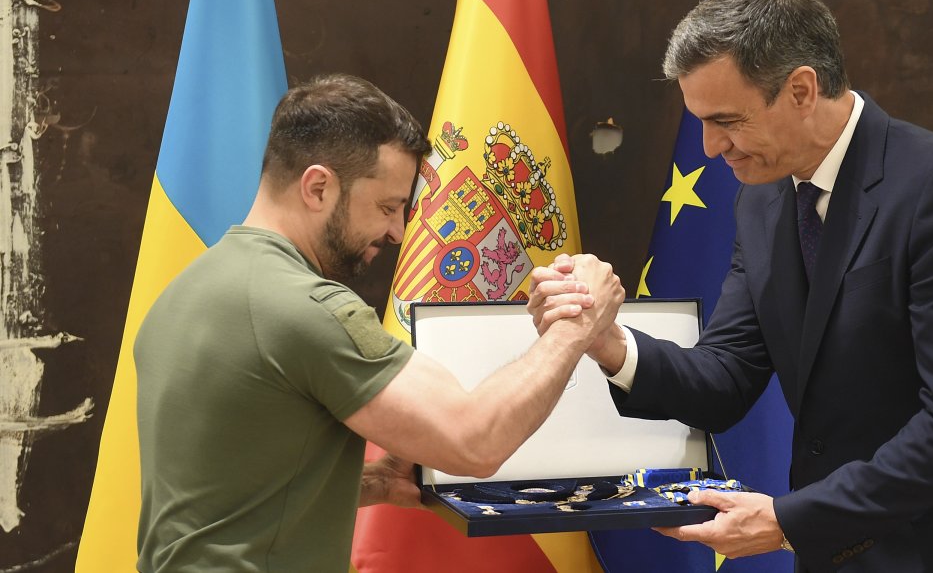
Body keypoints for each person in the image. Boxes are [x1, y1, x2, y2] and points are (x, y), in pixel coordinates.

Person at [532, 0, 933, 572]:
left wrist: (790, 521)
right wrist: (608, 342)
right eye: (701, 122)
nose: (710, 148)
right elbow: (726, 376)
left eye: (727, 121)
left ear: (802, 90)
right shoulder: (761, 199)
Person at [134, 74, 623, 571]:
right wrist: (575, 324)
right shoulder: (306, 308)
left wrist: (363, 484)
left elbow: (224, 496)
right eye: (388, 207)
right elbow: (474, 441)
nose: (396, 231)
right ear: (318, 187)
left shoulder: (185, 292)